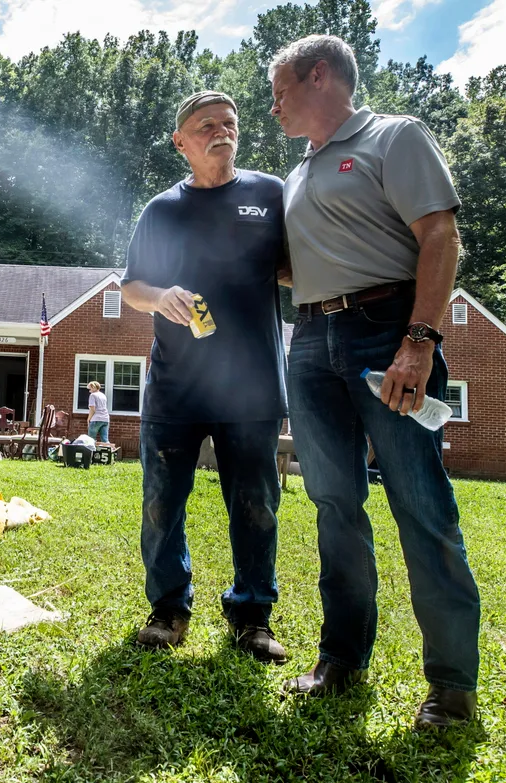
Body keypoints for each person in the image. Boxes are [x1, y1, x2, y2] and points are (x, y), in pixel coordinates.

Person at [270, 35, 480, 729]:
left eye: (279, 89)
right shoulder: (299, 172)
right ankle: (341, 659)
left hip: (386, 330)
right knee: (335, 504)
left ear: (320, 75)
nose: (271, 106)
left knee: (421, 505)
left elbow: (440, 235)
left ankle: (451, 686)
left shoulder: (395, 136)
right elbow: (304, 262)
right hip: (312, 340)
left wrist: (419, 341)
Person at [120, 90, 289, 663]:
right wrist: (159, 295)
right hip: (176, 386)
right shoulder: (162, 210)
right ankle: (169, 609)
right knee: (162, 501)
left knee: (257, 502)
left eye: (228, 122)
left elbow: (299, 267)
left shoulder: (270, 195)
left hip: (253, 385)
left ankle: (252, 617)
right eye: (205, 125)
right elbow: (132, 287)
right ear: (181, 142)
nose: (221, 131)